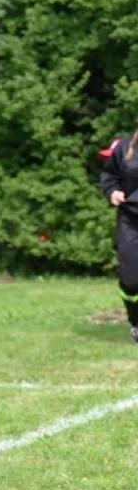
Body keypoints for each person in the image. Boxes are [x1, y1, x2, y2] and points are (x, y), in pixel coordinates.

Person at [98, 132, 138, 345]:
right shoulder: (123, 147)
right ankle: (135, 321)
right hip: (131, 220)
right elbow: (109, 176)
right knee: (131, 279)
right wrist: (112, 191)